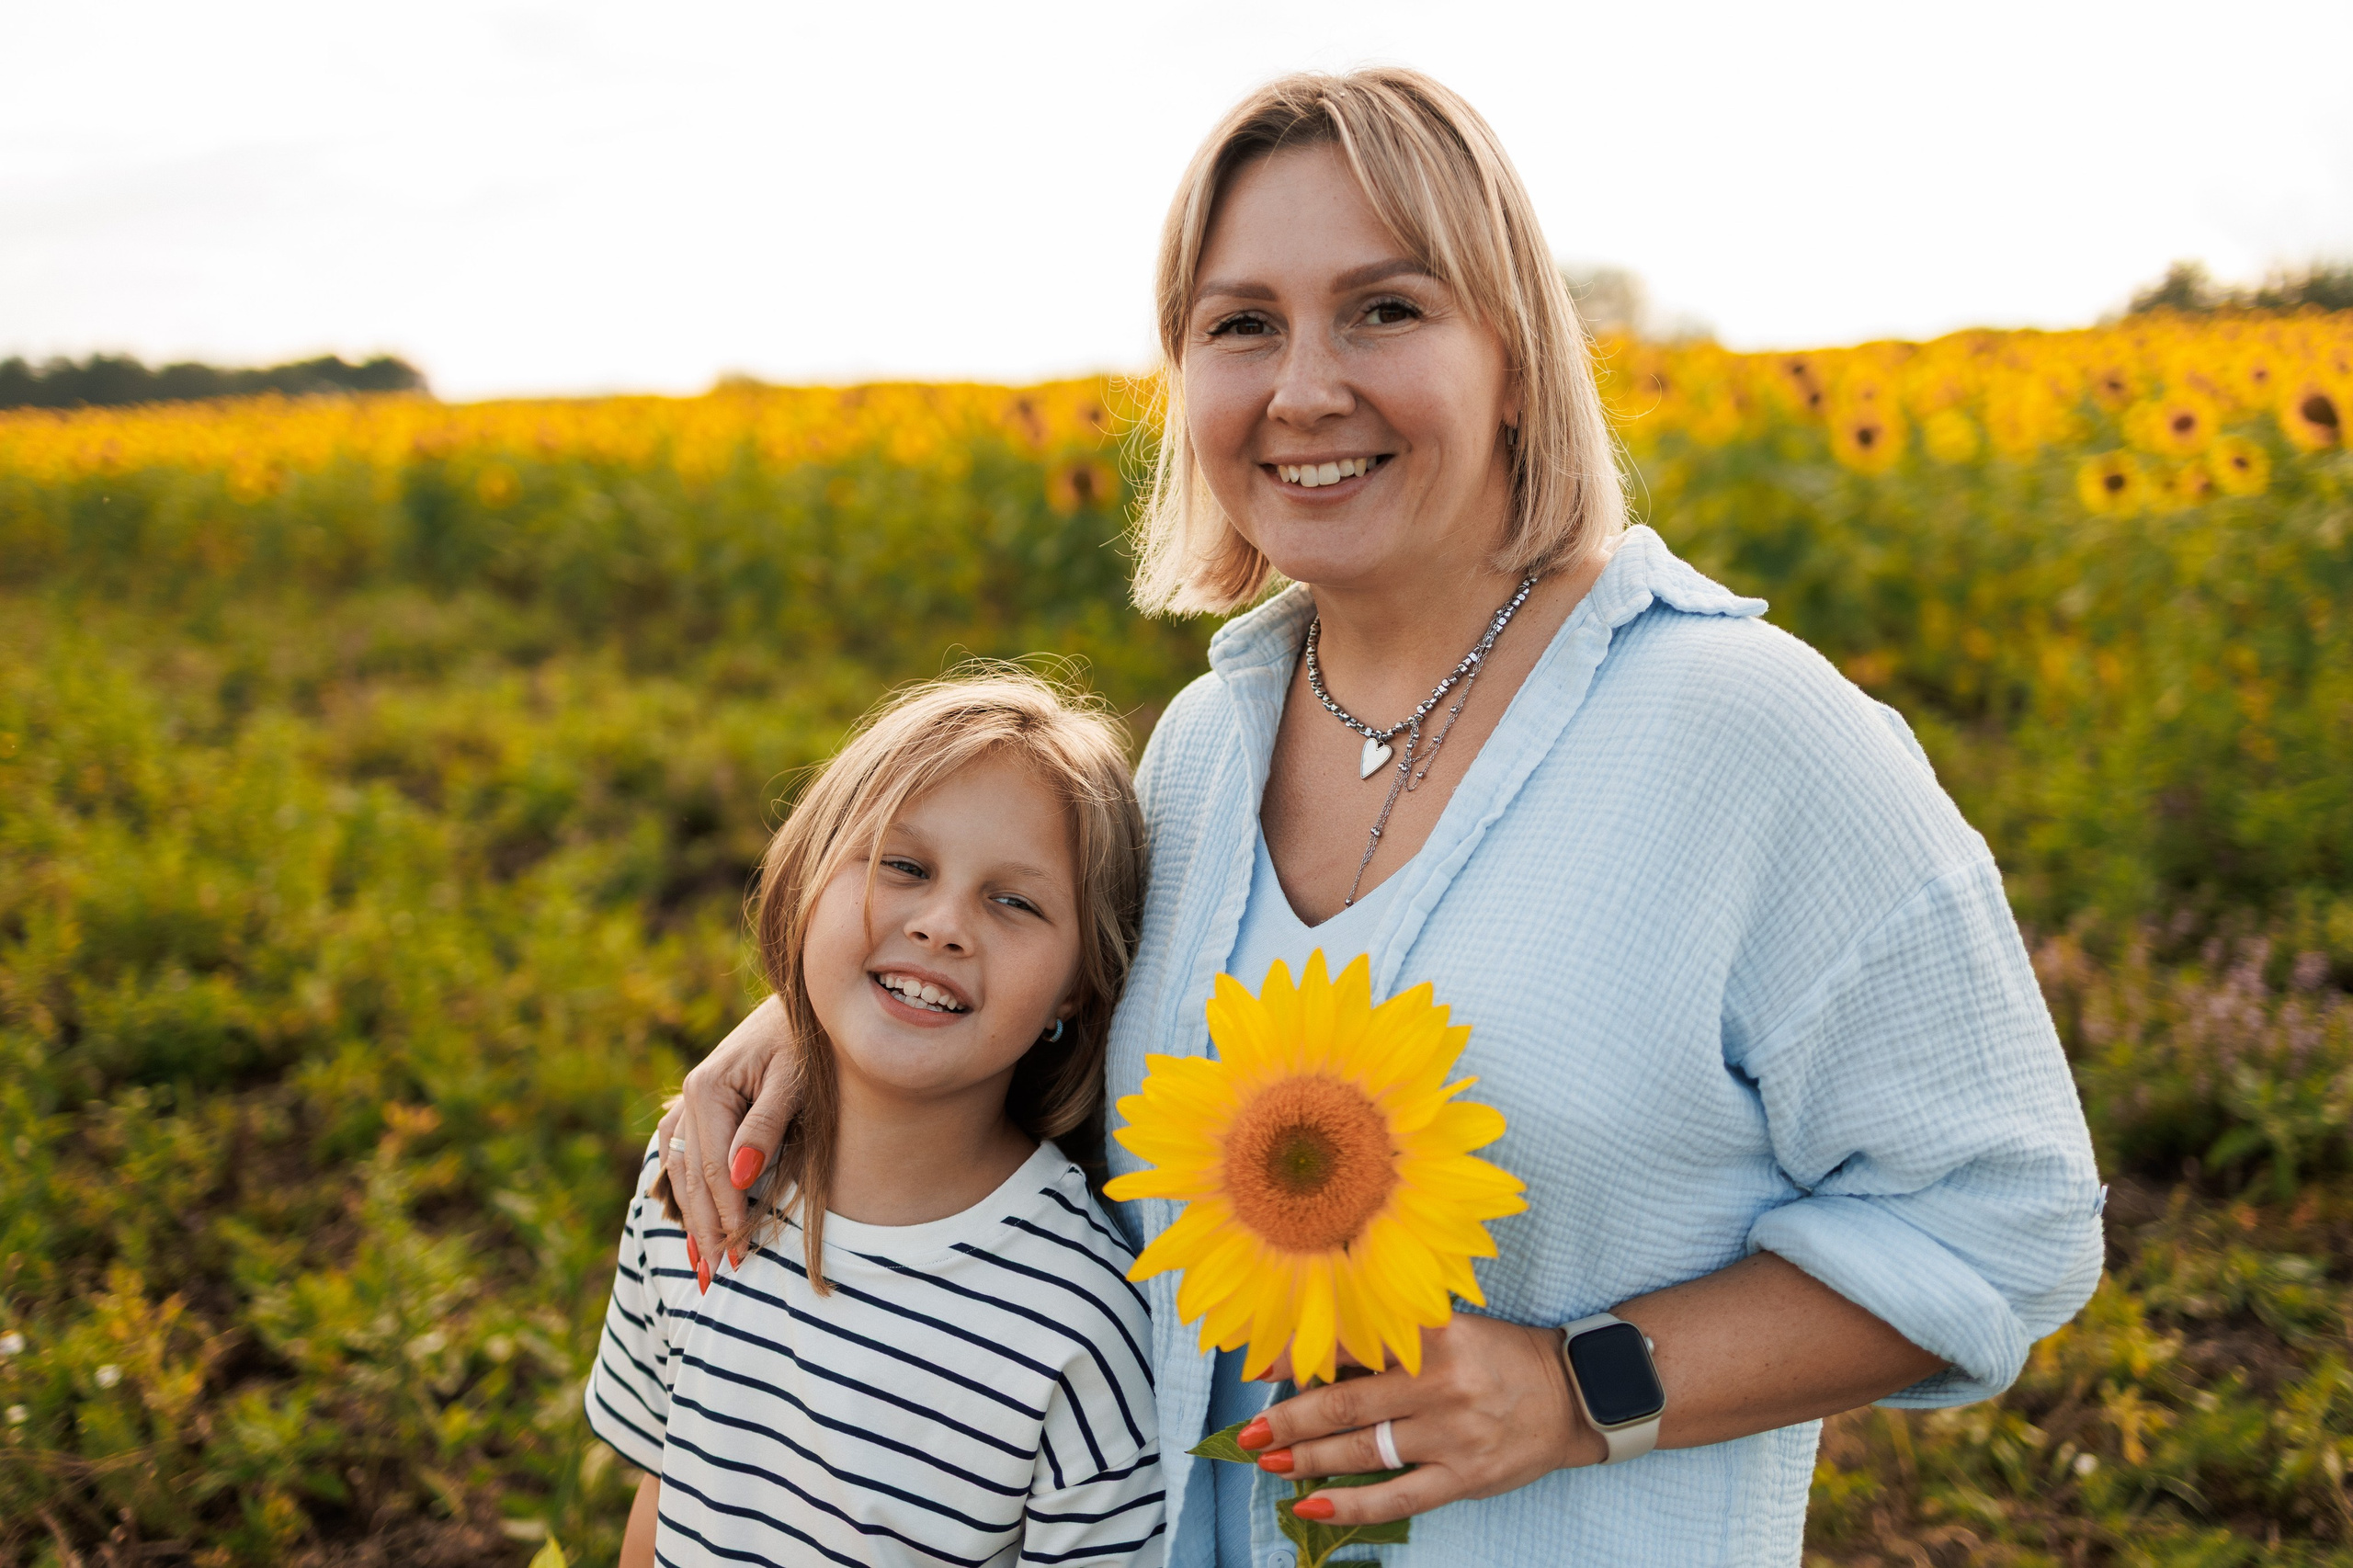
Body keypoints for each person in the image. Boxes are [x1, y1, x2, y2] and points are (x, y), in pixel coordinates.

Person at [655, 69, 2104, 1566]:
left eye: (1385, 308)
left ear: (1519, 358)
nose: (1302, 389)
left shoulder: (1751, 735)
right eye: (1241, 325)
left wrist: (1575, 1386)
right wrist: (804, 1023)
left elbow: (2006, 1220)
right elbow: (1081, 1055)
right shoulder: (1210, 748)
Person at [585, 673, 1163, 1568]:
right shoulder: (691, 1188)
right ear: (807, 881)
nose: (941, 925)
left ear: (1077, 988)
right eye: (903, 865)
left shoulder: (1083, 1322)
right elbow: (661, 1498)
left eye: (1014, 900)